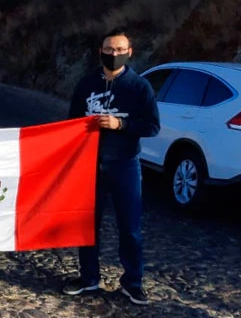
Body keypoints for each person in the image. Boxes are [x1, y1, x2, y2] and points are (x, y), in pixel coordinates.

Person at [62, 28, 160, 306]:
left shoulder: (139, 86)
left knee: (129, 226)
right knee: (86, 225)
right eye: (108, 49)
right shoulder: (86, 84)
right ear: (100, 51)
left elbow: (152, 126)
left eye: (119, 50)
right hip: (89, 166)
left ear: (129, 53)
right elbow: (71, 123)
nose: (113, 54)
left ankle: (133, 282)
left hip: (125, 165)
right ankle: (88, 277)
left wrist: (121, 124)